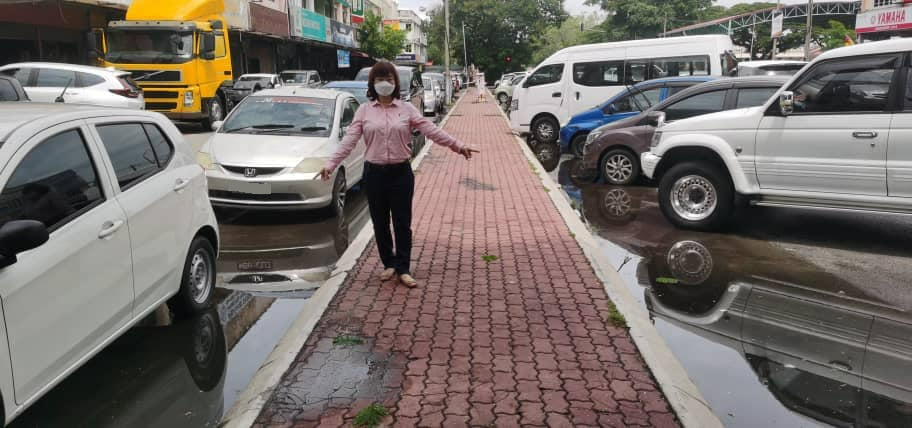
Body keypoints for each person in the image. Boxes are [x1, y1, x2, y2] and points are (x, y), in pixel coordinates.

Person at [319, 61, 479, 288]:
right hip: (374, 175)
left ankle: (403, 268)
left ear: (396, 83)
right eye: (379, 79)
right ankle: (389, 263)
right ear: (372, 84)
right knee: (380, 223)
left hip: (400, 174)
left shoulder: (406, 109)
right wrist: (331, 164)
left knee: (402, 223)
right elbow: (349, 141)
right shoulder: (364, 111)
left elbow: (431, 130)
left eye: (389, 79)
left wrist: (458, 146)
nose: (384, 83)